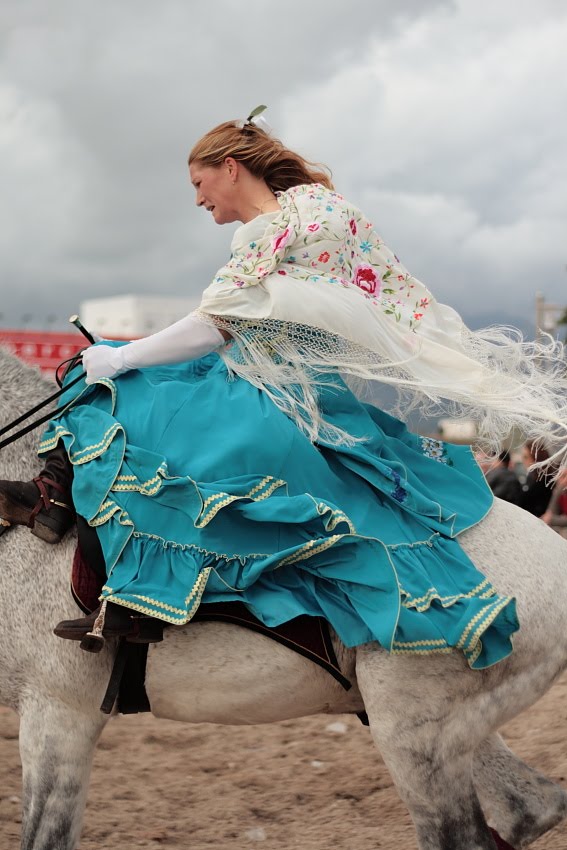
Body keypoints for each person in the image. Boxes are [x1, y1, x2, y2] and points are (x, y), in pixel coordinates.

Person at [1, 107, 567, 669]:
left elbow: (212, 326)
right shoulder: (312, 212)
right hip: (273, 383)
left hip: (275, 398)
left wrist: (121, 355)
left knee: (117, 399)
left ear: (230, 167)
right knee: (130, 392)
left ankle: (119, 577)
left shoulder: (276, 234)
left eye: (198, 183)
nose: (197, 199)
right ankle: (70, 514)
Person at [519, 441, 555, 517]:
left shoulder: (543, 480)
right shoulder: (532, 477)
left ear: (536, 458)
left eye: (526, 457)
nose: (523, 461)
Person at [541, 469, 567, 535]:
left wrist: (552, 519)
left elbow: (549, 517)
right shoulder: (561, 491)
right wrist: (558, 489)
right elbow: (550, 512)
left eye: (564, 476)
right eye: (560, 476)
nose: (564, 480)